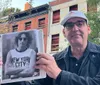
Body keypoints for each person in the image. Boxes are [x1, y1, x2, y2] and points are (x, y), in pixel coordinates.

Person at [31, 11, 100, 85]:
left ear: (88, 29)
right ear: (64, 32)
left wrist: (59, 75)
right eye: (69, 25)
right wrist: (19, 77)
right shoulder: (55, 60)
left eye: (80, 24)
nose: (75, 29)